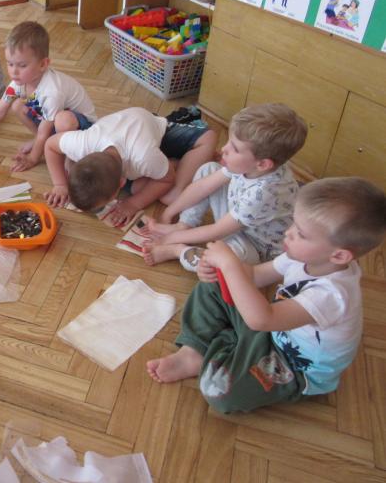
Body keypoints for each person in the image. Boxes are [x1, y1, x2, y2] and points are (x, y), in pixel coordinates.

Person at [146, 177, 386, 414]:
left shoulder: (332, 295)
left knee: (219, 391)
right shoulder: (304, 257)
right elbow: (254, 275)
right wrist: (219, 269)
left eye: (301, 234)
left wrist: (230, 265)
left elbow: (261, 320)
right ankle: (194, 352)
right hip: (273, 327)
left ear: (339, 256)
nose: (288, 233)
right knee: (214, 284)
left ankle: (227, 344)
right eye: (293, 224)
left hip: (292, 365)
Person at [142, 103, 306, 270]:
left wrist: (169, 240)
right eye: (229, 141)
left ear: (263, 164)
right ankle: (183, 226)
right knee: (209, 169)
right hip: (237, 219)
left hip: (255, 247)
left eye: (235, 149)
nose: (224, 149)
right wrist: (169, 213)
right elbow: (201, 187)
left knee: (220, 263)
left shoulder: (265, 192)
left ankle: (177, 251)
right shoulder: (251, 165)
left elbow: (216, 231)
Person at [43, 107, 217, 226]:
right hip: (127, 136)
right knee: (151, 187)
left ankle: (173, 160)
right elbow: (50, 145)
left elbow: (167, 179)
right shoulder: (81, 143)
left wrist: (134, 203)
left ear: (122, 182)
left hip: (156, 128)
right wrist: (60, 184)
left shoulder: (144, 158)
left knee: (173, 195)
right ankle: (165, 164)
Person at [0, 21, 97, 171]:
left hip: (84, 129)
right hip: (54, 122)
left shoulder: (52, 92)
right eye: (10, 64)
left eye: (22, 65)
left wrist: (32, 159)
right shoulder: (17, 84)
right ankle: (44, 142)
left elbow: (45, 130)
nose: (14, 72)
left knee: (63, 120)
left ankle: (69, 153)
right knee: (18, 105)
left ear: (43, 64)